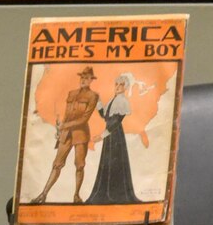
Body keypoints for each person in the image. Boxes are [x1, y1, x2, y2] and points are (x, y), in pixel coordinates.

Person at [31, 65, 98, 205]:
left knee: (79, 165)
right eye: (82, 77)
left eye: (87, 78)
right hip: (66, 134)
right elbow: (67, 115)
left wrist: (65, 126)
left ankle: (77, 196)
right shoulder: (71, 93)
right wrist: (61, 128)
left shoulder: (93, 96)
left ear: (91, 80)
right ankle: (43, 194)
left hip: (80, 135)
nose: (84, 80)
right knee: (56, 165)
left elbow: (84, 119)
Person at [87, 73, 141, 205]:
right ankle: (105, 194)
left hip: (115, 135)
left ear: (125, 87)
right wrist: (98, 101)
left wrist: (102, 135)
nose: (117, 87)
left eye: (121, 85)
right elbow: (105, 117)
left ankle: (117, 196)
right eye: (116, 84)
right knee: (108, 162)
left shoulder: (122, 101)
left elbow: (116, 121)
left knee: (116, 163)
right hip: (110, 136)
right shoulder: (114, 99)